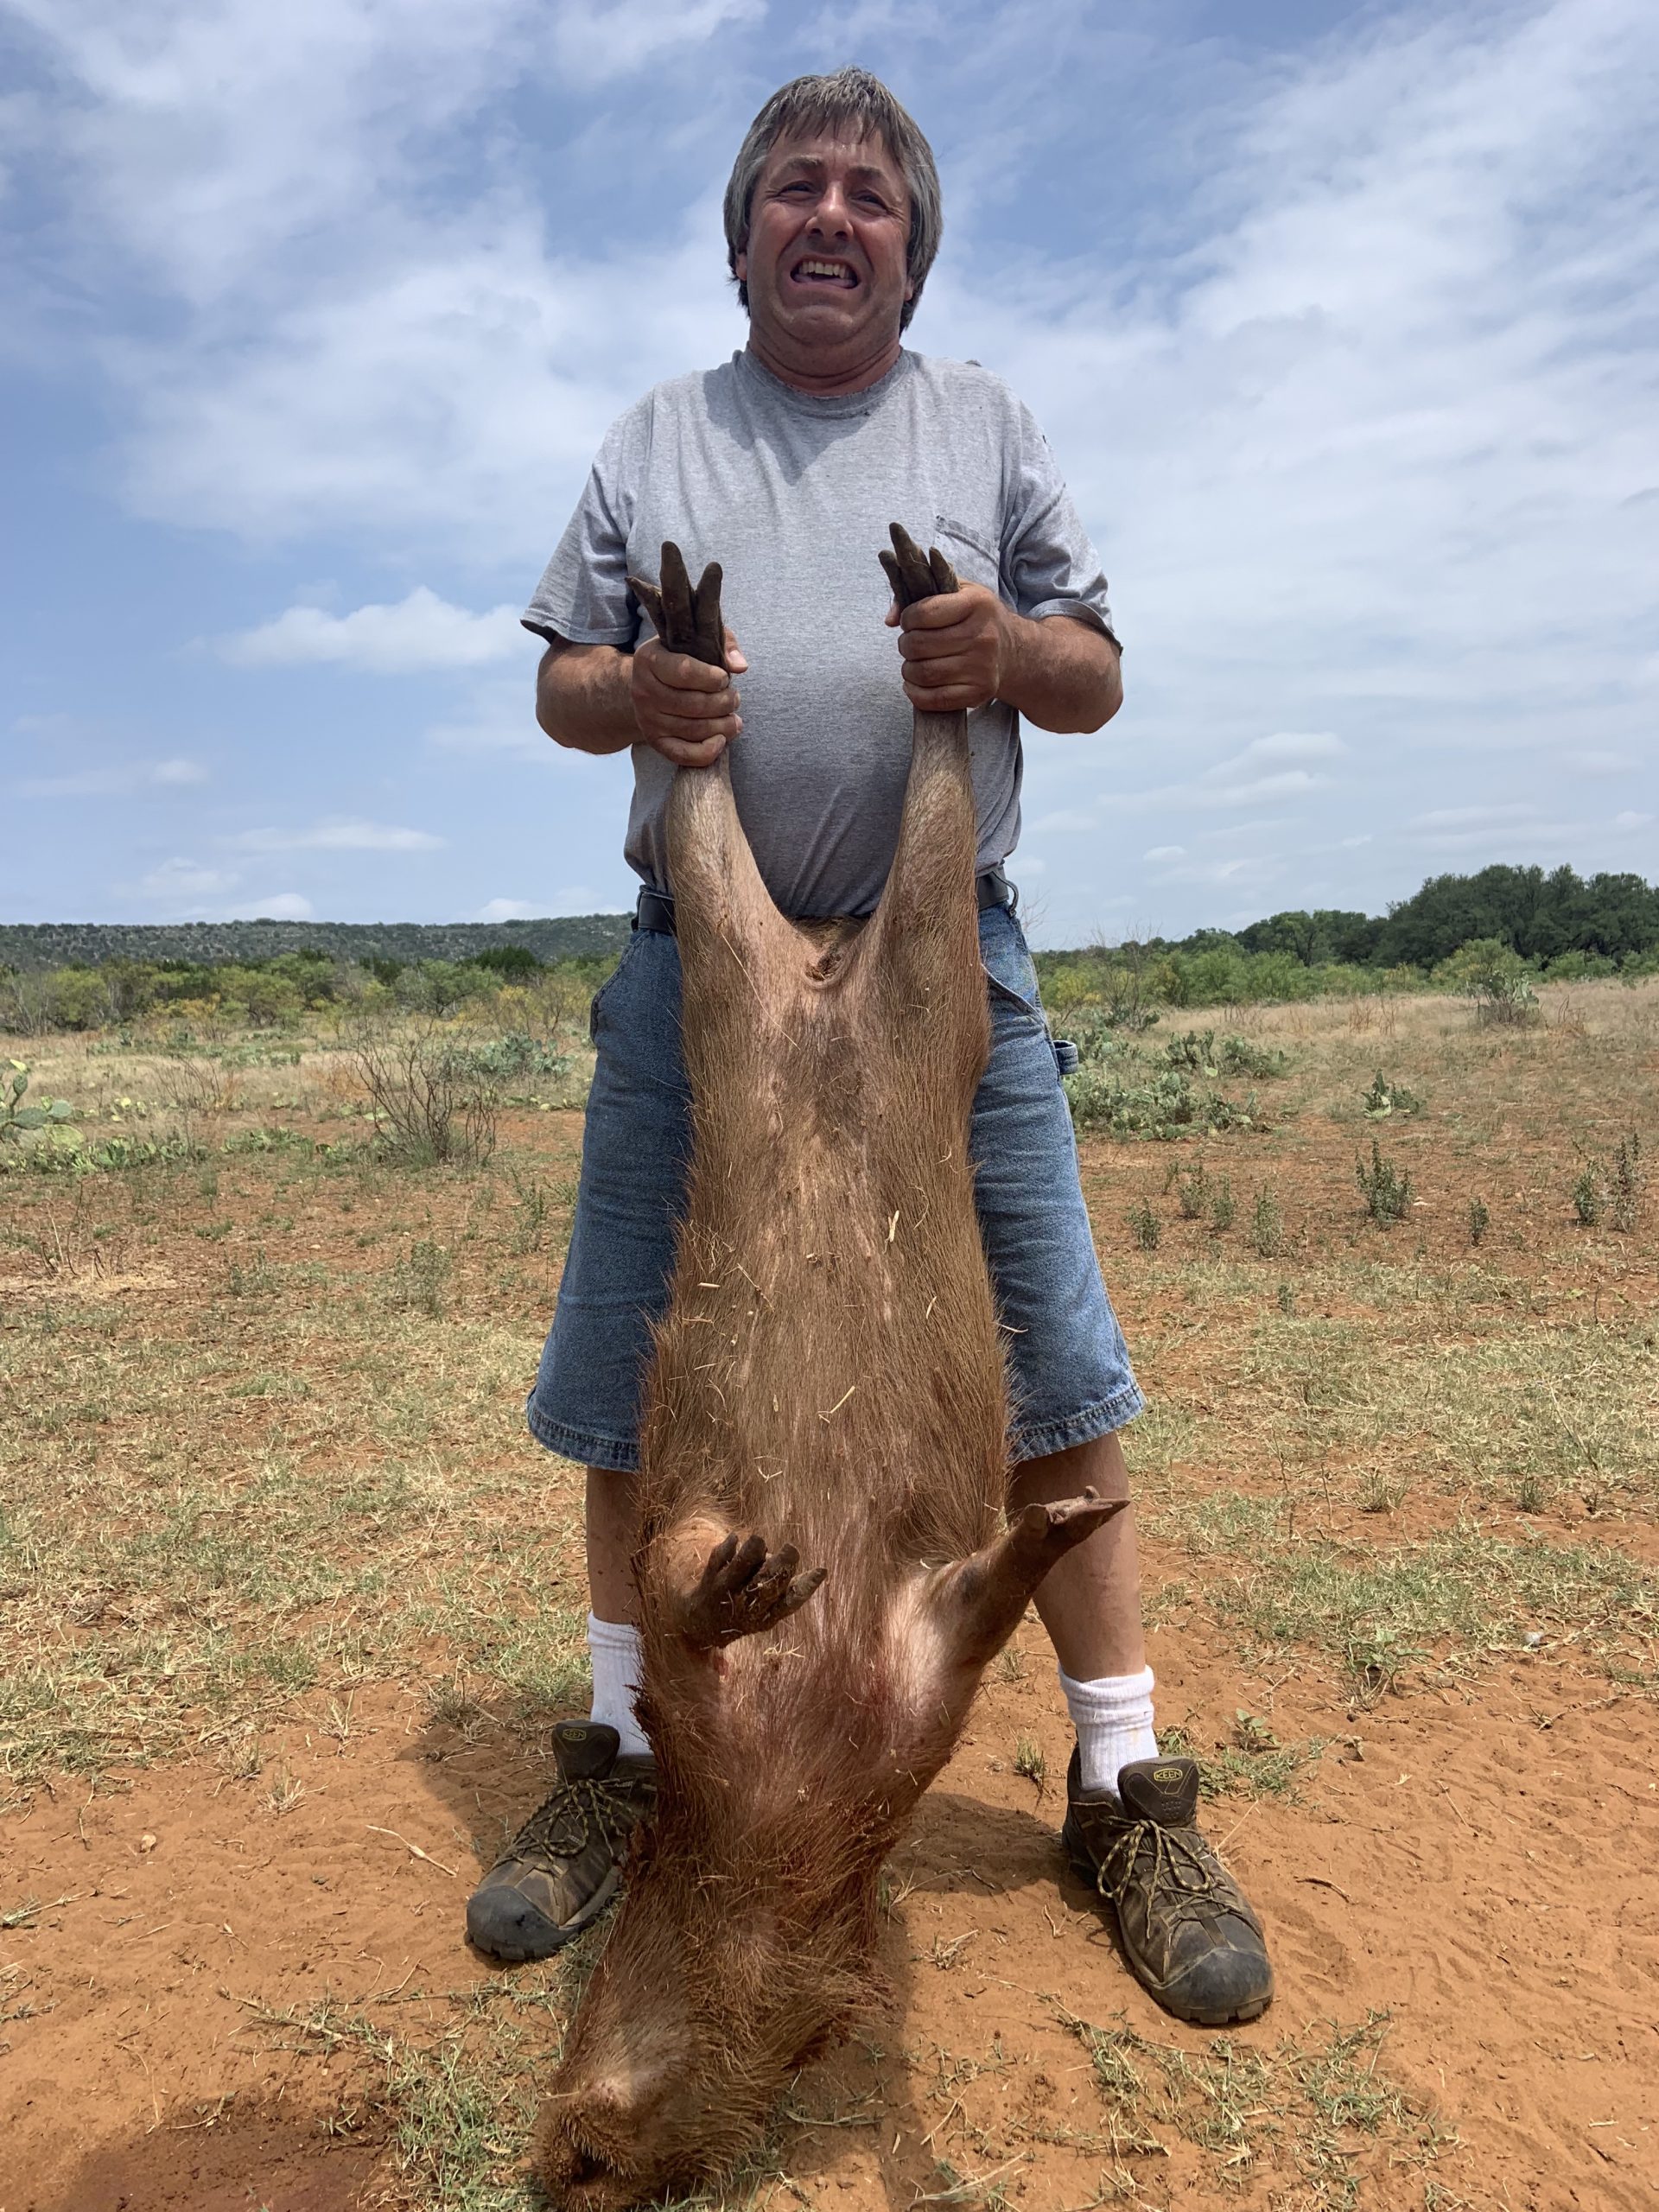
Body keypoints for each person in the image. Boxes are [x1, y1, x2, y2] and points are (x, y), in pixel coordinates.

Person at [466, 67, 1272, 2029]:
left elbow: (1094, 668)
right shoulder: (655, 436)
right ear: (740, 232)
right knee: (626, 1376)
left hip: (950, 961)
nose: (831, 219)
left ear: (913, 240)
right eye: (795, 192)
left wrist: (1000, 652)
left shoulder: (987, 422)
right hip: (692, 966)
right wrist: (631, 685)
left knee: (1056, 1376)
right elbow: (563, 683)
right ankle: (621, 1763)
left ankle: (1122, 1781)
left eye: (868, 197)